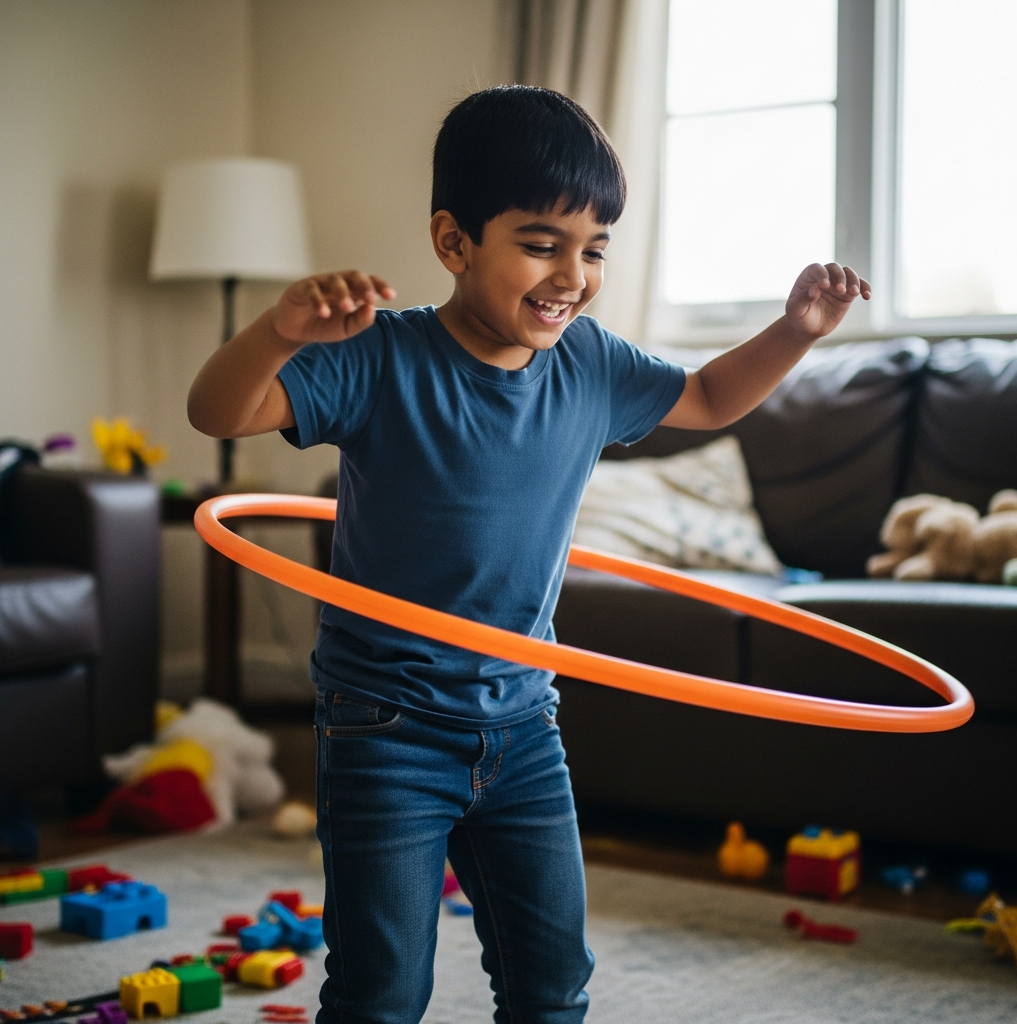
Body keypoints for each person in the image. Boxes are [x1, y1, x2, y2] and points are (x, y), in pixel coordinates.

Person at [188, 85, 870, 1024]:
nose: (572, 275)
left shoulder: (589, 364)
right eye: (541, 243)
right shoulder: (378, 357)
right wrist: (279, 334)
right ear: (453, 242)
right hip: (387, 726)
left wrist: (796, 332)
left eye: (594, 249)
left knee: (553, 984)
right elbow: (216, 415)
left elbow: (709, 399)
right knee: (383, 992)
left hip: (523, 724)